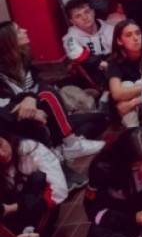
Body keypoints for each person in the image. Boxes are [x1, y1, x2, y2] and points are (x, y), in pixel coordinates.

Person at [0, 21, 105, 161]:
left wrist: (31, 98)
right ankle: (69, 144)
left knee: (100, 119)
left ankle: (62, 145)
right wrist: (31, 106)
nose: (25, 30)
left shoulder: (23, 58)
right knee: (48, 94)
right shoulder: (2, 74)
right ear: (9, 41)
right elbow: (6, 110)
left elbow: (39, 83)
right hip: (26, 122)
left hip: (44, 112)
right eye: (18, 31)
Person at [0, 127, 87, 237]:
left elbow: (58, 190)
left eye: (0, 145)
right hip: (6, 225)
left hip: (32, 210)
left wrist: (12, 208)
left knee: (38, 180)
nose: (1, 154)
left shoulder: (30, 149)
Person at [62, 0, 114, 90]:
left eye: (87, 12)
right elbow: (80, 57)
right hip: (92, 71)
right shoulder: (69, 38)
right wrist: (102, 63)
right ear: (72, 21)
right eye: (78, 16)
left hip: (112, 62)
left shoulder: (110, 28)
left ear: (93, 12)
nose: (85, 17)